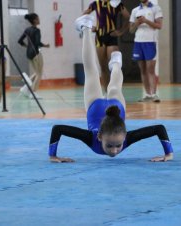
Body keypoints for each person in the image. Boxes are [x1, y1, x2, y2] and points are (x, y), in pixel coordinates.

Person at [48, 15, 173, 163]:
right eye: (110, 146)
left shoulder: (107, 138)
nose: (114, 151)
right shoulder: (95, 138)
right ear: (99, 136)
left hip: (102, 106)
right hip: (112, 107)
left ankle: (112, 59)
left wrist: (169, 154)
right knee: (101, 77)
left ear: (125, 135)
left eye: (117, 145)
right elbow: (159, 129)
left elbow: (58, 129)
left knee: (97, 76)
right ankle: (89, 32)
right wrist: (52, 156)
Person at [83, 0, 130, 92]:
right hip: (99, 37)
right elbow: (83, 15)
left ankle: (115, 90)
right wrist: (90, 26)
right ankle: (107, 92)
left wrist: (121, 31)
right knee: (103, 67)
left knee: (114, 66)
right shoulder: (95, 4)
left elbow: (128, 17)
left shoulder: (116, 3)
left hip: (111, 36)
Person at [129, 0, 163, 103]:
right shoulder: (135, 10)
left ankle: (154, 94)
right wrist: (137, 23)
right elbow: (131, 30)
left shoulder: (156, 8)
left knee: (150, 69)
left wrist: (146, 21)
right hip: (138, 42)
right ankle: (147, 95)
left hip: (150, 42)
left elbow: (159, 26)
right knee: (143, 70)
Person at [18, 13, 50, 99]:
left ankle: (25, 88)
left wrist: (27, 47)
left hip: (29, 54)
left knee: (36, 73)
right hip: (36, 54)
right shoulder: (37, 30)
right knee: (39, 73)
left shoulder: (27, 30)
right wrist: (45, 45)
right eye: (38, 18)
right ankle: (33, 92)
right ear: (35, 20)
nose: (39, 20)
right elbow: (37, 43)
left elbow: (20, 41)